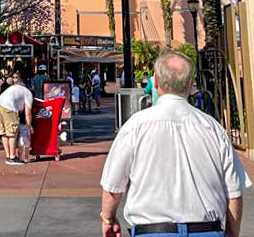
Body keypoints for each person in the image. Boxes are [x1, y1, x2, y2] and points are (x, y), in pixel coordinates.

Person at [99, 51, 245, 237]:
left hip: (152, 231)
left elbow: (113, 185)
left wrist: (108, 219)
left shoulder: (135, 126)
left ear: (156, 82)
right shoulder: (213, 128)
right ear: (191, 84)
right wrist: (232, 232)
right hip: (206, 230)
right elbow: (233, 191)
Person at [0, 72, 33, 166]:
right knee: (12, 133)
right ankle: (12, 157)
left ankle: (8, 156)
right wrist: (29, 128)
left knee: (4, 132)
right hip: (9, 107)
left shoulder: (17, 88)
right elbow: (27, 113)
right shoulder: (29, 95)